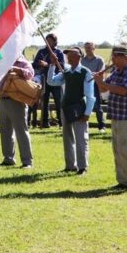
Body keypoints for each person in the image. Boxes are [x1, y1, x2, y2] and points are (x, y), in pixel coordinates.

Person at [93, 46, 127, 190]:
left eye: (115, 57)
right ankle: (123, 180)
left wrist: (104, 84)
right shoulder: (116, 72)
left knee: (126, 148)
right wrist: (99, 80)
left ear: (124, 57)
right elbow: (104, 89)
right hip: (116, 116)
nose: (113, 59)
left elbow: (123, 90)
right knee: (118, 149)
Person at [47, 47, 95, 175]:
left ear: (79, 57)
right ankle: (70, 165)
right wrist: (52, 65)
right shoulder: (66, 71)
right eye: (68, 56)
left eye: (72, 55)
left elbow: (90, 96)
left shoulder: (86, 72)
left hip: (79, 108)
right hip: (66, 107)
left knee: (81, 138)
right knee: (67, 138)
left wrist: (87, 113)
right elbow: (51, 82)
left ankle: (82, 167)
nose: (68, 58)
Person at [0, 56, 35, 168]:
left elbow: (30, 74)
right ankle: (8, 158)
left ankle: (27, 161)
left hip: (17, 102)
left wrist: (16, 69)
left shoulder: (23, 63)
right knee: (5, 131)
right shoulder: (3, 61)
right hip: (3, 99)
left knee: (21, 132)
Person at [33, 34, 64, 128]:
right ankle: (45, 122)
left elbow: (61, 65)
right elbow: (34, 64)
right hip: (44, 79)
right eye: (47, 40)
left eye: (50, 40)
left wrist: (49, 64)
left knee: (58, 102)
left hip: (56, 80)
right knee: (45, 102)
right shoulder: (42, 52)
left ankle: (61, 122)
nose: (48, 42)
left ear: (55, 41)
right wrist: (39, 63)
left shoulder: (58, 52)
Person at [81, 42, 106, 132]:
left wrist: (96, 74)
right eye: (86, 48)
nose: (87, 49)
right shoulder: (82, 60)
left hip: (95, 84)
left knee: (97, 105)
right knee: (83, 104)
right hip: (84, 84)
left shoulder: (99, 60)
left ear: (94, 48)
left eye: (89, 48)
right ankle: (84, 124)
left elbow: (101, 73)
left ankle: (101, 126)